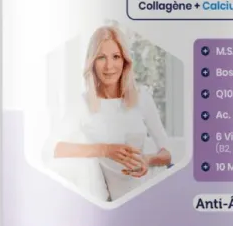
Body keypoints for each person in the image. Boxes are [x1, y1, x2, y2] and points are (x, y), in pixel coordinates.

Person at [51, 26, 172, 201]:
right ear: (92, 62)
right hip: (118, 202)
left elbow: (167, 154)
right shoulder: (83, 104)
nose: (109, 66)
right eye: (101, 57)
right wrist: (105, 150)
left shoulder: (142, 97)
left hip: (149, 189)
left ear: (125, 61)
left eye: (116, 57)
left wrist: (147, 160)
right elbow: (54, 148)